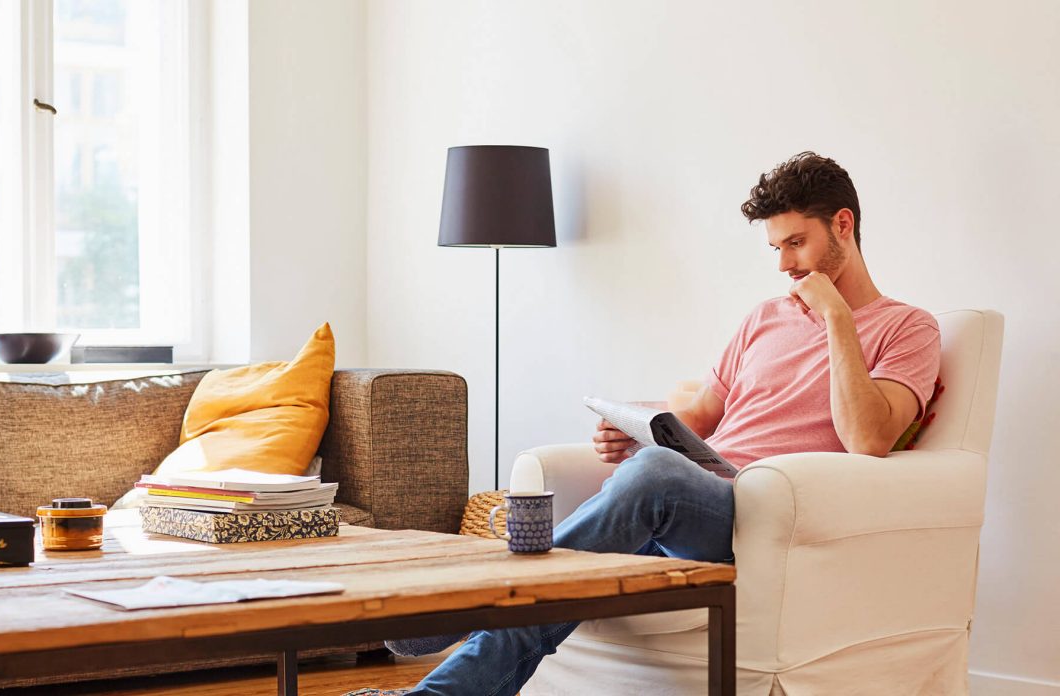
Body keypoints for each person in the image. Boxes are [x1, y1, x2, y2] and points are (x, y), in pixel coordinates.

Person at [383, 151, 942, 696]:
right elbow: (699, 416)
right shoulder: (763, 319)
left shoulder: (908, 328)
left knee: (652, 474)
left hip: (760, 511)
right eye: (776, 247)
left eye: (797, 243)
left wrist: (836, 317)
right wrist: (637, 427)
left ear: (843, 226)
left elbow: (869, 438)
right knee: (580, 566)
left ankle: (478, 595)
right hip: (692, 497)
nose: (784, 265)